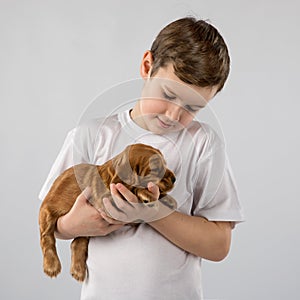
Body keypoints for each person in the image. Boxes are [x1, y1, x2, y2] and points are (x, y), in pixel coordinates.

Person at [39, 17, 244, 299]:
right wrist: (73, 225)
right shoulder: (90, 135)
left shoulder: (203, 143)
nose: (174, 115)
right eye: (169, 94)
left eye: (193, 107)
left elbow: (219, 245)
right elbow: (55, 222)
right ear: (147, 66)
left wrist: (151, 212)